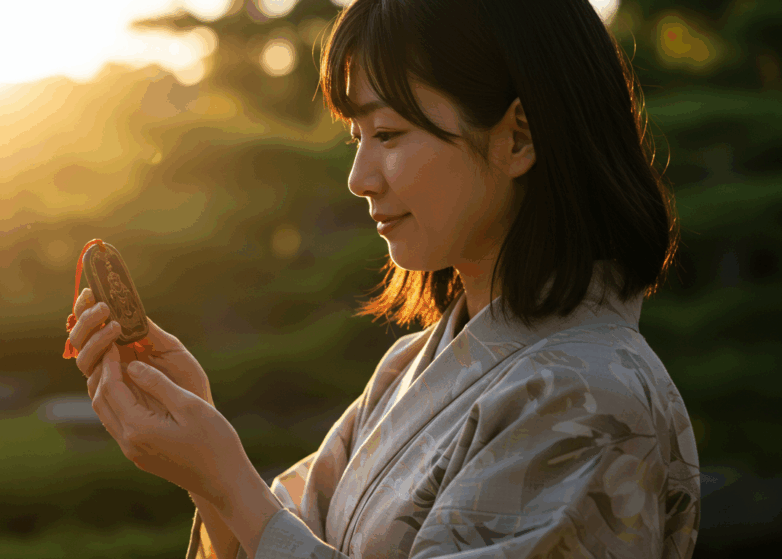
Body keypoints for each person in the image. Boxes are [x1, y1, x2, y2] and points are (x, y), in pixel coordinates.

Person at [67, 0, 701, 558]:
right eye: (357, 137)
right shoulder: (408, 368)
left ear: (518, 137)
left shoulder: (593, 397)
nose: (360, 177)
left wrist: (223, 480)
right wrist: (202, 451)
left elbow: (255, 513)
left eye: (390, 133)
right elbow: (277, 527)